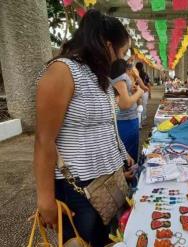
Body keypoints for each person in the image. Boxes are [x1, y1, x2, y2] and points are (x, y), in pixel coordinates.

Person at [33, 10, 135, 246]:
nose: (122, 59)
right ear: (107, 46)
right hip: (78, 190)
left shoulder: (98, 76)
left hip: (108, 184)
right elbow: (43, 140)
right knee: (83, 241)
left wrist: (122, 159)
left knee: (107, 240)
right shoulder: (62, 71)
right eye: (121, 52)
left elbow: (108, 125)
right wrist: (45, 199)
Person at [110, 58, 144, 166]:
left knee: (129, 152)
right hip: (126, 120)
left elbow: (120, 100)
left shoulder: (118, 76)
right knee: (129, 155)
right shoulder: (122, 77)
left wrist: (132, 92)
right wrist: (139, 92)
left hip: (126, 119)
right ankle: (129, 177)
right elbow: (124, 104)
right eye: (124, 52)